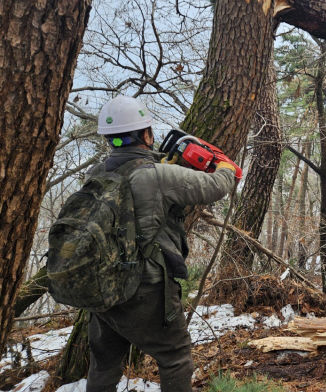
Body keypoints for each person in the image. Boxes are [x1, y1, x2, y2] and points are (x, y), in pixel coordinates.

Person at [86, 95, 237, 392]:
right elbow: (217, 185)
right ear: (146, 134)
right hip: (144, 289)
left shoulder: (95, 174)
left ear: (109, 139)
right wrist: (225, 165)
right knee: (175, 357)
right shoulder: (159, 176)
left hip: (100, 286)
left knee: (104, 363)